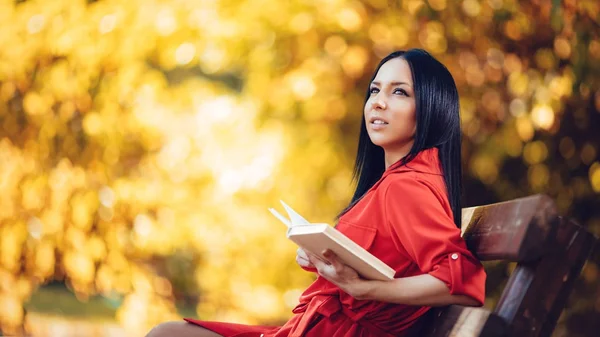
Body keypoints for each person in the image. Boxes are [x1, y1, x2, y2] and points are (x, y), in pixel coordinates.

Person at [146, 49, 486, 337]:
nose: (378, 103)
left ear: (431, 109)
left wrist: (367, 290)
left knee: (166, 335)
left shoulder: (408, 185)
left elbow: (464, 282)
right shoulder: (395, 182)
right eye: (374, 90)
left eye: (399, 92)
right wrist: (324, 257)